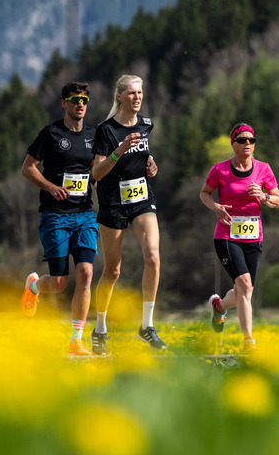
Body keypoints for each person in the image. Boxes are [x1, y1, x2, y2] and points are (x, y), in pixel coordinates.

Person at [20, 81, 98, 356]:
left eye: (84, 100)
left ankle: (76, 340)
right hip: (56, 216)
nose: (80, 104)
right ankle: (33, 285)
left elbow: (95, 169)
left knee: (86, 273)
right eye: (75, 99)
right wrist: (51, 187)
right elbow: (28, 168)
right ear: (63, 103)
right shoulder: (50, 133)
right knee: (58, 283)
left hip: (86, 214)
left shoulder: (93, 134)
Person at [89, 74, 164, 353]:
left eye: (140, 92)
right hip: (112, 203)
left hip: (142, 199)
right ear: (119, 96)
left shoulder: (146, 124)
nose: (137, 97)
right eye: (131, 93)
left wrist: (150, 163)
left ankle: (147, 326)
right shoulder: (105, 131)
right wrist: (119, 152)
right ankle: (100, 328)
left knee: (153, 258)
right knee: (112, 271)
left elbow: (143, 152)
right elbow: (96, 173)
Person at [198, 122, 279, 353]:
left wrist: (263, 196)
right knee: (244, 284)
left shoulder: (264, 169)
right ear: (233, 144)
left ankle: (219, 307)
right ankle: (248, 342)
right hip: (227, 234)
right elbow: (204, 193)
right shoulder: (220, 170)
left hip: (253, 237)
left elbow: (278, 200)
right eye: (242, 140)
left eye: (251, 140)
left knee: (245, 291)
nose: (247, 144)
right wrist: (215, 206)